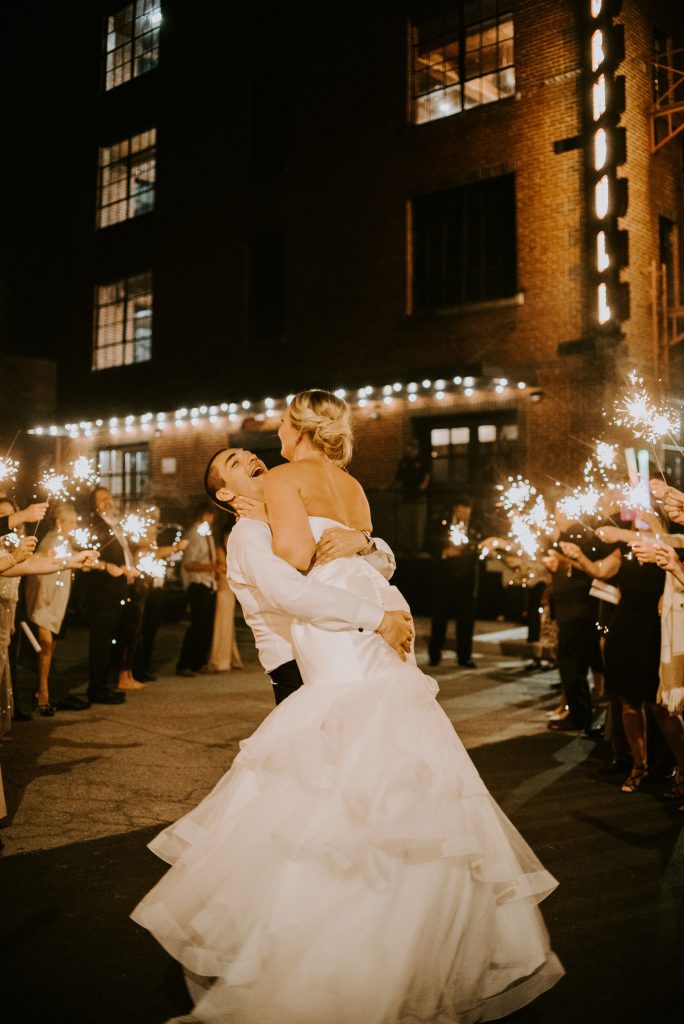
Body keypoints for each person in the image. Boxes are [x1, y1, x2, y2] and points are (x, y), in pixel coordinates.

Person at [132, 389, 563, 1023]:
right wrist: (368, 578)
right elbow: (322, 569)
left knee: (355, 796)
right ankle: (357, 934)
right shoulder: (326, 494)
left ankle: (342, 943)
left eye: (274, 427)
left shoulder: (281, 487)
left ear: (297, 429)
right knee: (354, 791)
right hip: (332, 648)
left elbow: (319, 558)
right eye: (233, 462)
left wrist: (357, 551)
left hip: (348, 643)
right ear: (225, 495)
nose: (260, 444)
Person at [203, 447, 408, 703]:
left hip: (339, 648)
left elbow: (378, 567)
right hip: (296, 666)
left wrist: (363, 542)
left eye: (249, 453)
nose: (250, 458)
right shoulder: (247, 535)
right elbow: (292, 594)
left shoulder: (291, 515)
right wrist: (380, 620)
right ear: (225, 493)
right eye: (235, 463)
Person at [83, 486, 137, 705]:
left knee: (111, 641)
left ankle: (105, 684)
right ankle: (97, 689)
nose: (108, 502)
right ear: (94, 504)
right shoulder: (94, 525)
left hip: (117, 590)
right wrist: (107, 566)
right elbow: (87, 560)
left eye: (109, 497)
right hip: (102, 592)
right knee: (101, 643)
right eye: (102, 499)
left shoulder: (116, 524)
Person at [24, 502, 79, 715]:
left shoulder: (65, 542)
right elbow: (40, 568)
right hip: (44, 603)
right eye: (71, 522)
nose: (74, 526)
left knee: (49, 649)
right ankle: (42, 693)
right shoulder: (51, 542)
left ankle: (42, 689)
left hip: (55, 604)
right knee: (45, 648)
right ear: (59, 522)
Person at [428, 497, 480, 668]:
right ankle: (435, 654)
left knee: (465, 620)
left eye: (468, 510)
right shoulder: (441, 524)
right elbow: (428, 544)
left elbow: (480, 547)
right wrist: (445, 552)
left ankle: (464, 656)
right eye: (462, 509)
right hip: (445, 578)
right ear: (455, 509)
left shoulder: (475, 527)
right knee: (440, 617)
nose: (465, 514)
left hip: (466, 579)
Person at [176, 503, 219, 677]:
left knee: (206, 626)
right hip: (198, 585)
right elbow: (189, 563)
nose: (211, 522)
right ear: (201, 517)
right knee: (197, 626)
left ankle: (199, 662)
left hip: (209, 584)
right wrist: (212, 567)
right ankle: (184, 664)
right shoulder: (193, 535)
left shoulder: (205, 535)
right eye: (209, 518)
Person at [205, 524, 243, 673]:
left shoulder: (232, 552)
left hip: (230, 593)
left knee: (228, 626)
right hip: (222, 592)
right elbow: (222, 568)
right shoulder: (220, 551)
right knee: (221, 625)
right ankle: (220, 659)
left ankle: (229, 656)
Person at [393, 438, 430, 554]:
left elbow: (427, 477)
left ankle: (417, 548)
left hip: (418, 498)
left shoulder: (422, 461)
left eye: (411, 449)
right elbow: (397, 478)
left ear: (415, 449)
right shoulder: (403, 462)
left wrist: (421, 487)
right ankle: (405, 547)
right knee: (405, 523)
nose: (408, 451)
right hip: (405, 497)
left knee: (418, 523)